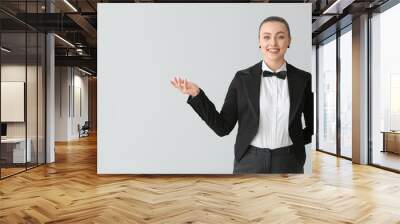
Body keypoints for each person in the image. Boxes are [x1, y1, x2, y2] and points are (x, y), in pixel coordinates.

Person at [170, 16, 313, 174]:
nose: (273, 43)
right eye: (266, 37)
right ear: (259, 41)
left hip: (289, 161)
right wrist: (197, 95)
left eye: (280, 36)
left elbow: (313, 127)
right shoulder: (242, 79)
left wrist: (295, 142)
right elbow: (222, 127)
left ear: (289, 41)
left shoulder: (304, 79)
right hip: (249, 161)